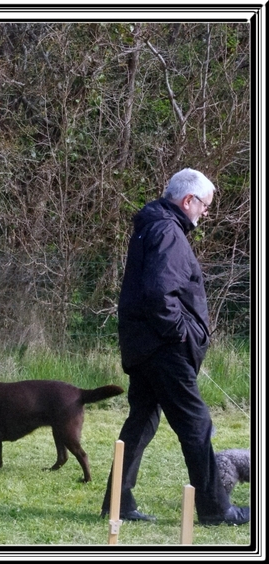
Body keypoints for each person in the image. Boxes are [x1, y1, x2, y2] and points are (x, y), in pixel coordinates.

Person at [99, 168, 249, 526]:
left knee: (141, 422)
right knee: (196, 424)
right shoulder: (167, 230)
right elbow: (159, 293)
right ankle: (216, 509)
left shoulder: (154, 226)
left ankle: (117, 503)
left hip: (146, 345)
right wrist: (182, 334)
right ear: (188, 201)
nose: (206, 213)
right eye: (206, 206)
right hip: (163, 347)